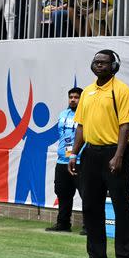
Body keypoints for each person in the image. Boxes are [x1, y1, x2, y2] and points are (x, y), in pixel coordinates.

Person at [69, 50, 129, 258]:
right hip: (91, 154)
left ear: (114, 66)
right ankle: (97, 256)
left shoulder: (121, 90)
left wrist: (118, 156)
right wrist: (74, 153)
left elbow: (125, 125)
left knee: (121, 206)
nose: (99, 66)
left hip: (115, 153)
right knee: (90, 205)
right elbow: (80, 125)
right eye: (96, 62)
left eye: (104, 63)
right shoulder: (87, 92)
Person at [46, 87, 82, 232]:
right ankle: (63, 224)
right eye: (71, 97)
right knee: (62, 193)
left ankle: (89, 227)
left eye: (76, 97)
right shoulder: (62, 114)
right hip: (62, 161)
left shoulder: (86, 115)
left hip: (80, 161)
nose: (73, 99)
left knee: (86, 194)